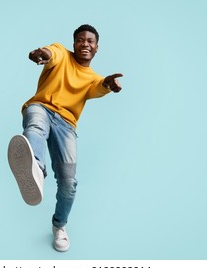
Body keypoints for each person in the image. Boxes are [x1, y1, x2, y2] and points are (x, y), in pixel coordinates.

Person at [8, 24, 123, 252]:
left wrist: (108, 84)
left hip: (67, 125)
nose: (85, 44)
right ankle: (36, 170)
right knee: (35, 126)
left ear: (97, 48)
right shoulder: (61, 54)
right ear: (74, 44)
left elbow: (98, 87)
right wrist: (43, 53)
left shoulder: (92, 78)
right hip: (41, 107)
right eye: (80, 40)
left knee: (69, 183)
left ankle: (59, 226)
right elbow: (52, 53)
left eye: (90, 41)